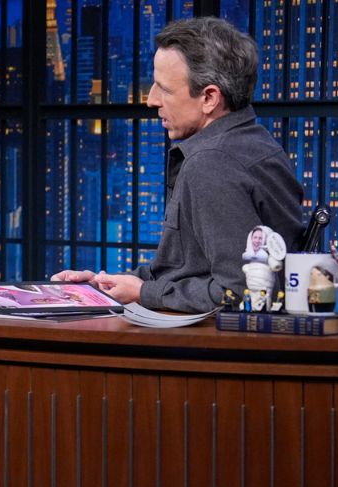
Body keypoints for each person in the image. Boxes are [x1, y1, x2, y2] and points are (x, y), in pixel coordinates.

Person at [53, 17, 304, 313]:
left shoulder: (213, 163)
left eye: (164, 89)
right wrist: (106, 285)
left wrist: (144, 293)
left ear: (209, 98)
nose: (151, 100)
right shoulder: (253, 142)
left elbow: (240, 293)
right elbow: (192, 268)